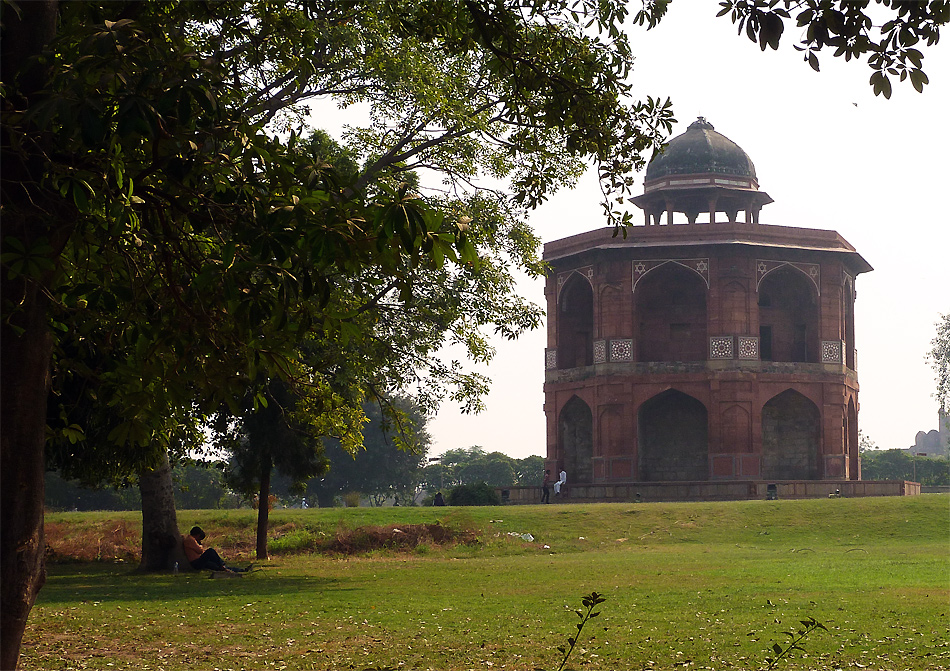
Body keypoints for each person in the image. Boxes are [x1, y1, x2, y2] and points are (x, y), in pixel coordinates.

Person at [182, 526, 248, 572]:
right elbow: (200, 550)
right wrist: (200, 546)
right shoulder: (190, 540)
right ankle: (222, 564)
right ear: (197, 535)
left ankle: (241, 570)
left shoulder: (190, 539)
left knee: (216, 567)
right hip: (196, 562)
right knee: (210, 551)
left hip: (198, 561)